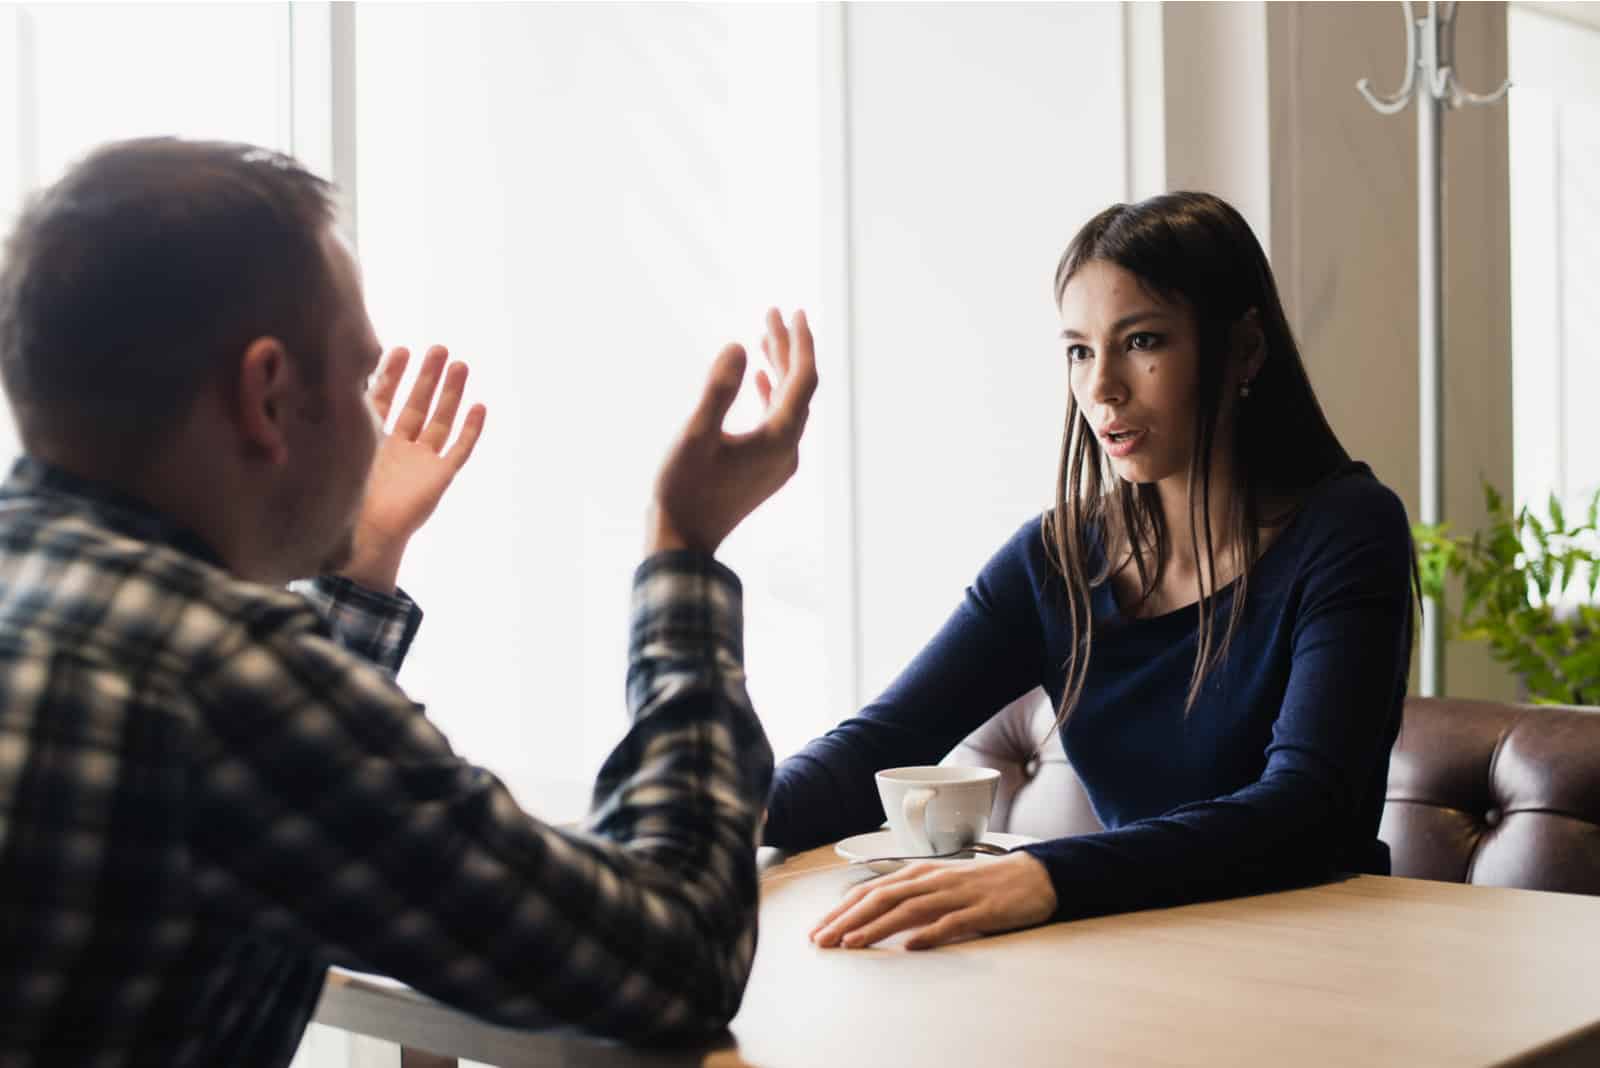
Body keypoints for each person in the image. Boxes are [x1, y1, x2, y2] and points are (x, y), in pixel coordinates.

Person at [0, 137, 815, 1065]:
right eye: (358, 377)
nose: (374, 420)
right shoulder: (220, 682)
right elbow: (677, 952)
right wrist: (684, 548)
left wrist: (366, 555)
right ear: (267, 395)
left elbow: (254, 784)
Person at [764, 192, 1415, 952]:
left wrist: (1044, 878)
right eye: (1079, 349)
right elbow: (873, 748)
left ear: (1244, 349)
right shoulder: (1056, 559)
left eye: (1142, 341)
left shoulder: (1347, 530)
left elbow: (1306, 811)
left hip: (1319, 953)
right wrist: (702, 816)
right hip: (1134, 945)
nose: (1102, 386)